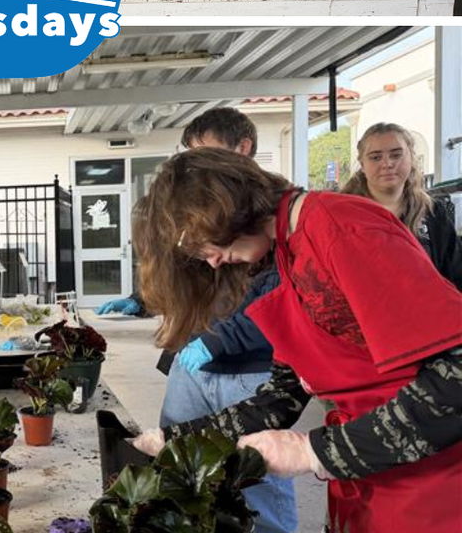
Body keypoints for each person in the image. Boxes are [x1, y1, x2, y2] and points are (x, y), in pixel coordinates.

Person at [131, 148, 462, 533]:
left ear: (221, 207)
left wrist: (315, 451)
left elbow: (455, 378)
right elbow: (282, 395)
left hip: (433, 487)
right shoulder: (289, 250)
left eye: (200, 244)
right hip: (371, 479)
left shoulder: (340, 229)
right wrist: (175, 439)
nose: (211, 262)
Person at [97, 108, 297, 533]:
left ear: (241, 150)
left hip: (248, 371)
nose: (192, 168)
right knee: (180, 472)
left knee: (256, 481)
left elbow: (277, 309)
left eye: (200, 154)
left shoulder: (274, 233)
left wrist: (218, 342)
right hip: (195, 363)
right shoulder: (215, 222)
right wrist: (144, 301)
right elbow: (189, 276)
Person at [340, 121, 462, 288]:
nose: (387, 164)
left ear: (411, 158)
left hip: (424, 310)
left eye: (396, 155)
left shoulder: (432, 213)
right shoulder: (341, 215)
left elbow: (454, 275)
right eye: (376, 157)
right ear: (362, 164)